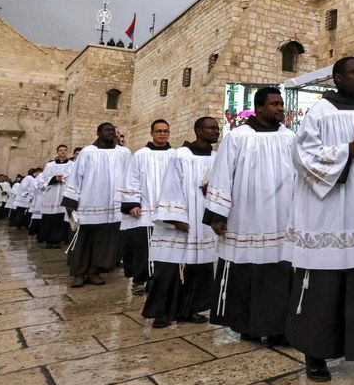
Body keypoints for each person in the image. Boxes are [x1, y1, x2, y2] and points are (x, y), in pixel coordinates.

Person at [286, 57, 354, 382]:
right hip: (329, 210)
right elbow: (302, 156)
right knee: (324, 287)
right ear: (337, 78)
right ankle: (316, 356)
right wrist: (345, 150)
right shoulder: (320, 112)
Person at [204, 87, 296, 345]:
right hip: (245, 216)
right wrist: (217, 215)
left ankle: (279, 328)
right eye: (274, 104)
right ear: (259, 108)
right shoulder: (237, 137)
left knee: (280, 272)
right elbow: (222, 175)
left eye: (281, 104)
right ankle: (248, 326)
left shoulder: (290, 137)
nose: (280, 108)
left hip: (281, 216)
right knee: (247, 271)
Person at [142, 117, 220, 328]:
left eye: (217, 128)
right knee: (167, 267)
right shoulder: (180, 155)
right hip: (180, 219)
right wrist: (175, 218)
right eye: (211, 128)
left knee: (201, 267)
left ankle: (190, 309)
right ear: (198, 130)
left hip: (203, 220)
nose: (216, 131)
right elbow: (171, 185)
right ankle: (162, 312)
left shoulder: (217, 157)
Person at [63, 122, 130, 287]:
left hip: (112, 206)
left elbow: (130, 176)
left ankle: (94, 271)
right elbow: (76, 177)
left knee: (104, 241)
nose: (111, 132)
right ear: (98, 132)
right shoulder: (87, 152)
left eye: (113, 130)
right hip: (88, 203)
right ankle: (78, 274)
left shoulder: (124, 153)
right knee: (81, 240)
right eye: (107, 130)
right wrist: (71, 203)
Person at [118, 119, 177, 295]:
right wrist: (132, 203)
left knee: (166, 247)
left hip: (167, 208)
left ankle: (158, 281)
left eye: (165, 131)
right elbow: (132, 179)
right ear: (151, 133)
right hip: (144, 208)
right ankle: (139, 280)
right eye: (158, 131)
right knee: (142, 247)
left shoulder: (176, 154)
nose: (162, 134)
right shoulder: (140, 155)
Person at [38, 145, 75, 249]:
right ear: (57, 152)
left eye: (64, 150)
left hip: (64, 193)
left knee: (61, 218)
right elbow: (42, 180)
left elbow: (74, 179)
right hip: (51, 194)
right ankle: (48, 240)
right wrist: (54, 178)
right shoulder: (50, 165)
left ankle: (58, 240)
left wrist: (63, 179)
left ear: (67, 152)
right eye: (60, 150)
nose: (62, 152)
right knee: (49, 218)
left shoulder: (72, 165)